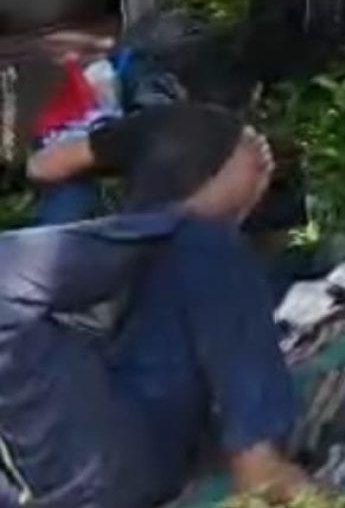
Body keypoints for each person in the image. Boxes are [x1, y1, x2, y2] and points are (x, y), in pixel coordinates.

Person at [0, 133, 315, 508]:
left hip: (49, 467)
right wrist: (213, 202)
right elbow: (138, 246)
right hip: (101, 474)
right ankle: (259, 461)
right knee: (200, 240)